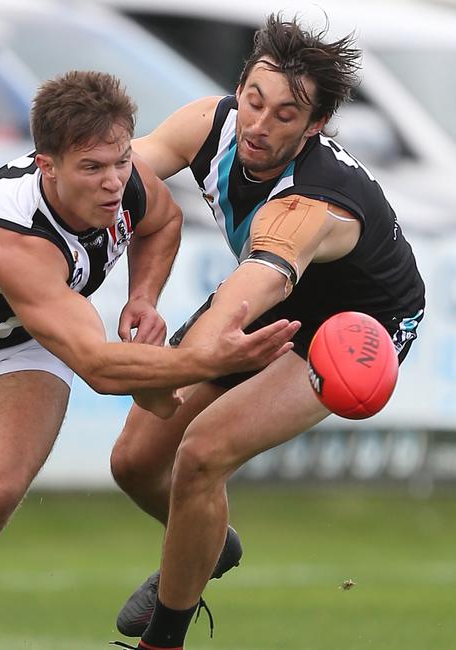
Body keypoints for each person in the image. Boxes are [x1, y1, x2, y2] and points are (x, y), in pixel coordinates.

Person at [0, 70, 299, 650]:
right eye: (92, 169)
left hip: (31, 342)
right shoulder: (11, 234)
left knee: (1, 483)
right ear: (47, 165)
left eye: (121, 161)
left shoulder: (128, 184)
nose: (113, 183)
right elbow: (101, 368)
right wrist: (207, 360)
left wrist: (143, 297)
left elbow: (163, 222)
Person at [109, 14, 426, 650]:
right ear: (240, 89)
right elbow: (119, 175)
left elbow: (242, 301)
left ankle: (163, 640)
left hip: (352, 327)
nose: (259, 124)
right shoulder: (210, 123)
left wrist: (168, 371)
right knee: (135, 463)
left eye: (285, 115)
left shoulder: (308, 205)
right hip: (270, 294)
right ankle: (207, 546)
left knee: (201, 455)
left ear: (315, 126)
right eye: (254, 100)